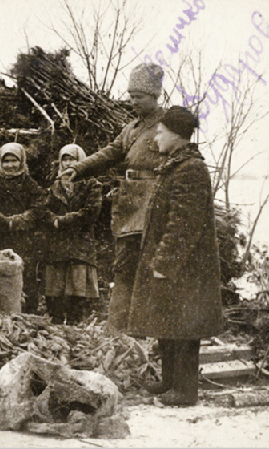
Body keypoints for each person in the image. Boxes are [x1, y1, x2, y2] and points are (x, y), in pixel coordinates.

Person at [59, 63, 168, 330]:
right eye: (131, 96)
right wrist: (79, 168)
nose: (133, 102)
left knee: (148, 269)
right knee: (124, 267)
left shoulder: (167, 126)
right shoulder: (130, 128)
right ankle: (118, 328)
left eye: (139, 97)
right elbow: (110, 153)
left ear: (155, 96)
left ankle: (146, 329)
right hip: (129, 204)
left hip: (154, 204)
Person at [128, 106, 223, 406]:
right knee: (167, 322)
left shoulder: (191, 169)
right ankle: (169, 381)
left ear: (175, 135)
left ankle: (185, 391)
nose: (156, 136)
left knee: (184, 328)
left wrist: (164, 262)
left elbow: (183, 224)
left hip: (186, 268)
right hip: (176, 265)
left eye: (160, 132)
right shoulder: (175, 165)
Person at [0, 142, 47, 313]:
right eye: (5, 161)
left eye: (14, 161)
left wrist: (18, 220)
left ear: (21, 161)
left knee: (23, 273)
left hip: (21, 237)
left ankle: (27, 313)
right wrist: (3, 220)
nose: (9, 165)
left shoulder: (29, 184)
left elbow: (39, 207)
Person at [44, 144, 102, 324]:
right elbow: (43, 210)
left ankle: (75, 330)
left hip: (80, 244)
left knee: (77, 291)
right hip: (58, 245)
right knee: (56, 292)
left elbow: (91, 212)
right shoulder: (54, 186)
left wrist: (62, 221)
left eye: (73, 159)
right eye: (65, 158)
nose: (69, 163)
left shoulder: (92, 184)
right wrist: (52, 219)